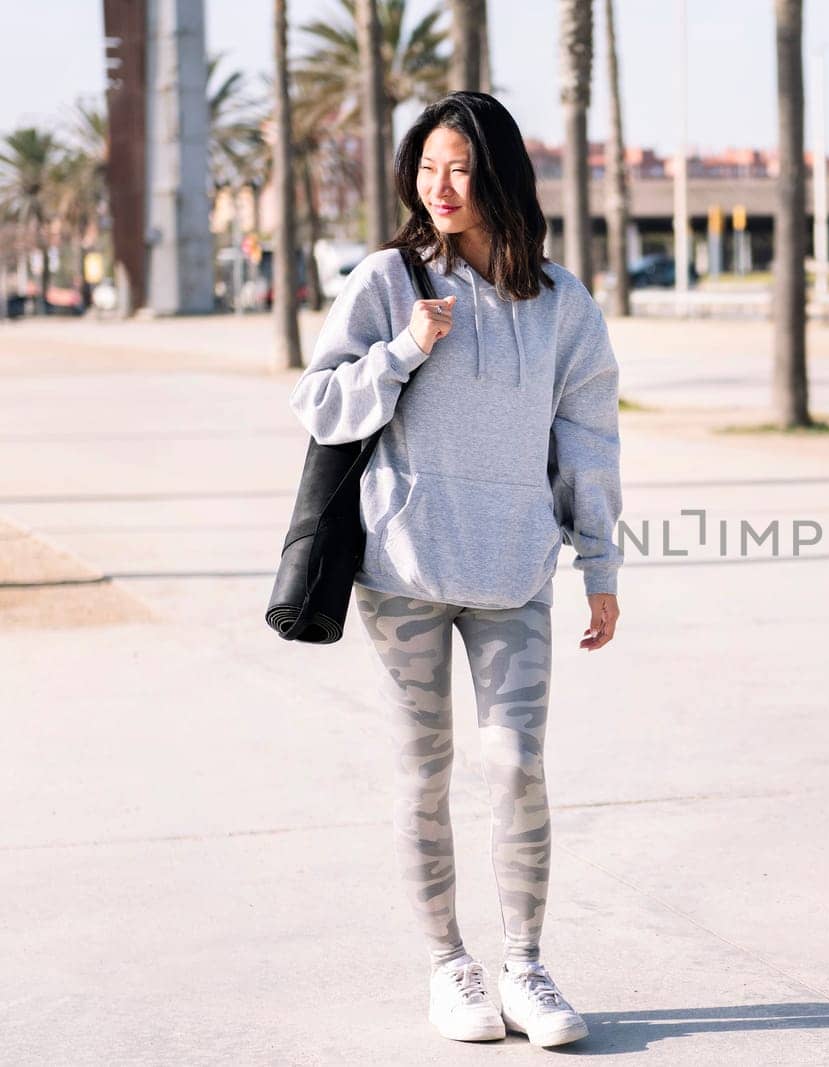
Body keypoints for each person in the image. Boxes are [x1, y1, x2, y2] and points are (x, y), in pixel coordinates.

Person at [288, 91, 622, 1049]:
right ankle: (450, 966)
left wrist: (599, 558)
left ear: (501, 176)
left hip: (514, 567)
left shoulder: (562, 303)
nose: (442, 185)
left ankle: (526, 964)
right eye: (429, 167)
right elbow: (318, 405)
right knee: (422, 774)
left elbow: (588, 437)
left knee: (516, 765)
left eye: (461, 168)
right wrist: (401, 350)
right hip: (402, 569)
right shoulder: (387, 279)